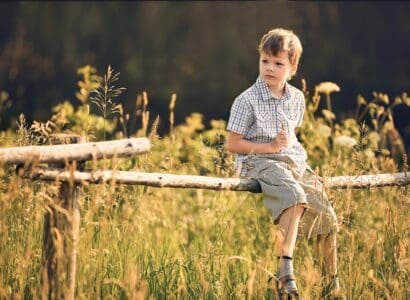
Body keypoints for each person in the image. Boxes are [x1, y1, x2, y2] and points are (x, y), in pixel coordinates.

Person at [225, 28, 343, 299]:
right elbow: (232, 144)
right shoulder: (246, 100)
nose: (269, 68)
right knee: (293, 196)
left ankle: (331, 284)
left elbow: (290, 139)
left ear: (293, 67)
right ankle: (284, 274)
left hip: (292, 161)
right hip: (259, 160)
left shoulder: (296, 98)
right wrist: (269, 147)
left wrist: (284, 147)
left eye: (278, 63)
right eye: (265, 61)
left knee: (326, 215)